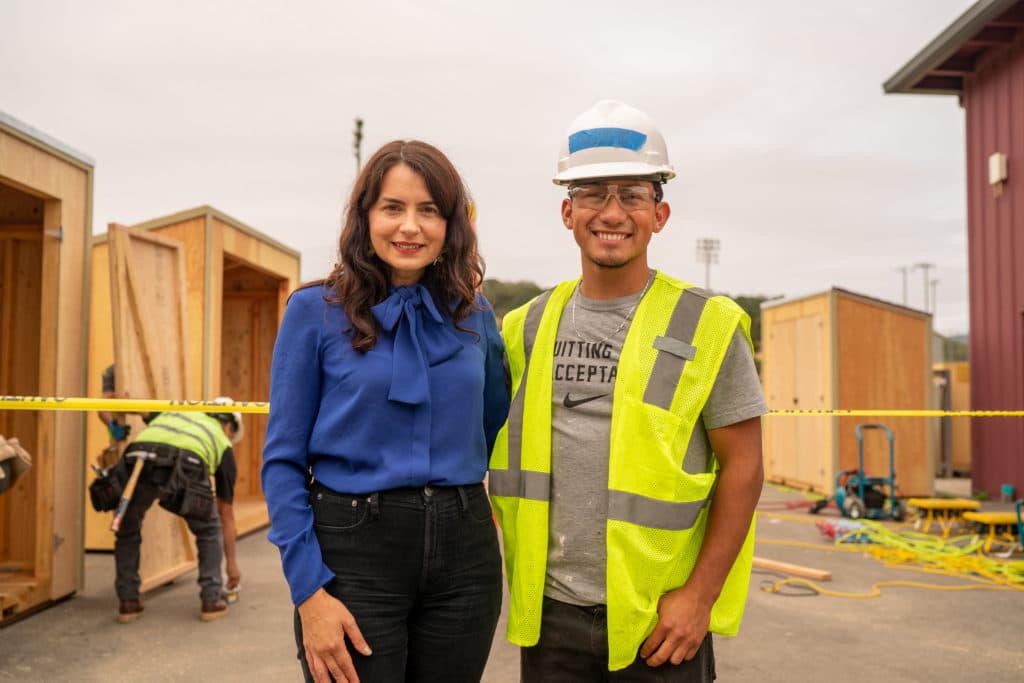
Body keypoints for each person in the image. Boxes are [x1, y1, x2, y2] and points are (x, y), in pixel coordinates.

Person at [488, 100, 768, 681]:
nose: (611, 212)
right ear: (567, 211)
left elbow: (744, 467)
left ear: (659, 214)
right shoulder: (524, 329)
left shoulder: (707, 325)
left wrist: (699, 597)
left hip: (661, 622)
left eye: (632, 196)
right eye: (592, 194)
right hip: (553, 617)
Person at [261, 140, 510, 683]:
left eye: (429, 210)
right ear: (365, 216)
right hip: (352, 554)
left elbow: (488, 422)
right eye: (393, 208)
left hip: (464, 555)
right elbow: (281, 463)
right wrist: (309, 592)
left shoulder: (476, 317)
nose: (410, 227)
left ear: (451, 225)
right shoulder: (312, 313)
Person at [112, 398, 243, 623]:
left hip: (138, 457)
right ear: (229, 427)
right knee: (209, 529)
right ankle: (211, 599)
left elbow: (139, 408)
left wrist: (117, 408)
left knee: (127, 526)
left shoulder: (176, 413)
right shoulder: (222, 442)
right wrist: (232, 564)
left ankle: (128, 601)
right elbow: (225, 513)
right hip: (187, 464)